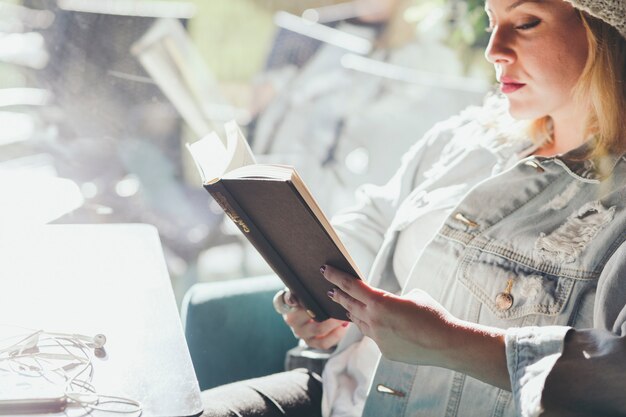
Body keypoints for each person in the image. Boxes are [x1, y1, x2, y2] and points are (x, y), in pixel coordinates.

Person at [201, 0, 626, 416]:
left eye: (527, 22)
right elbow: (376, 220)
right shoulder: (469, 135)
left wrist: (446, 340)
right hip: (344, 393)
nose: (493, 49)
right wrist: (328, 294)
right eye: (491, 22)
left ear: (603, 31)